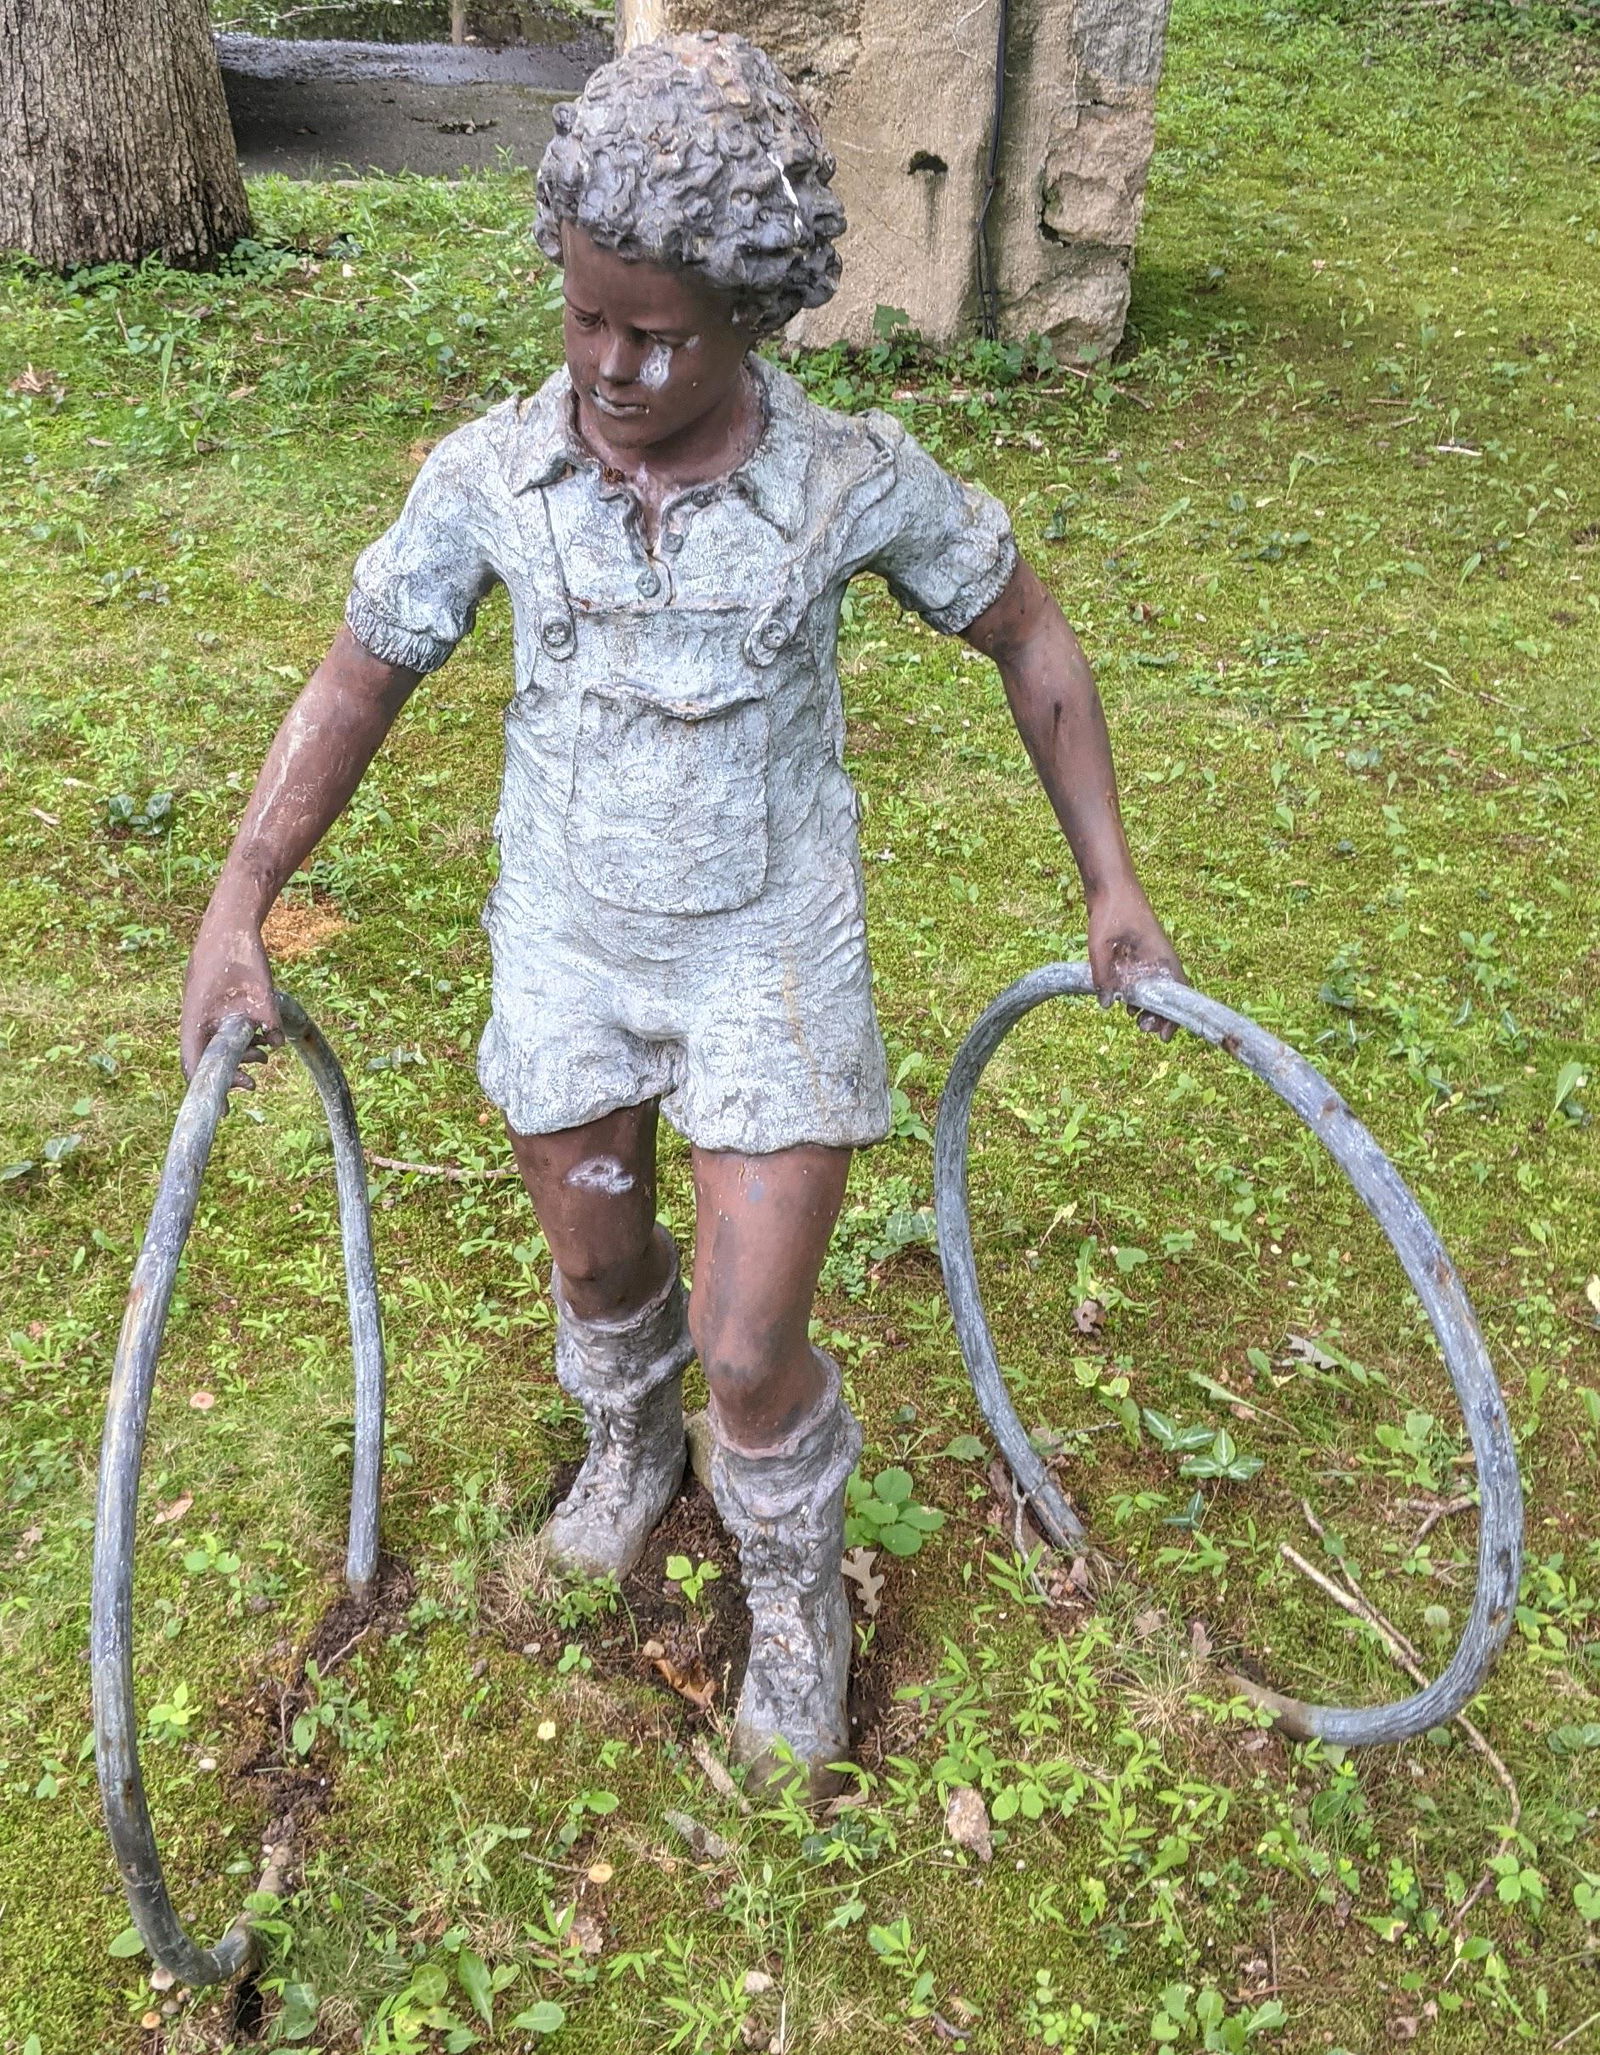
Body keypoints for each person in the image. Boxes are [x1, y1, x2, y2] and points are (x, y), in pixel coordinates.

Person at [179, 30, 1185, 1799]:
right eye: (586, 320)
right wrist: (242, 895)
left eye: (663, 335)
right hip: (571, 936)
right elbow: (360, 677)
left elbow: (1028, 634)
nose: (616, 368)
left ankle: (795, 1587)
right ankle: (628, 1447)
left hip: (765, 953)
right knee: (599, 1265)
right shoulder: (493, 477)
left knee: (749, 1335)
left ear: (756, 318)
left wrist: (1110, 883)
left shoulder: (843, 481)